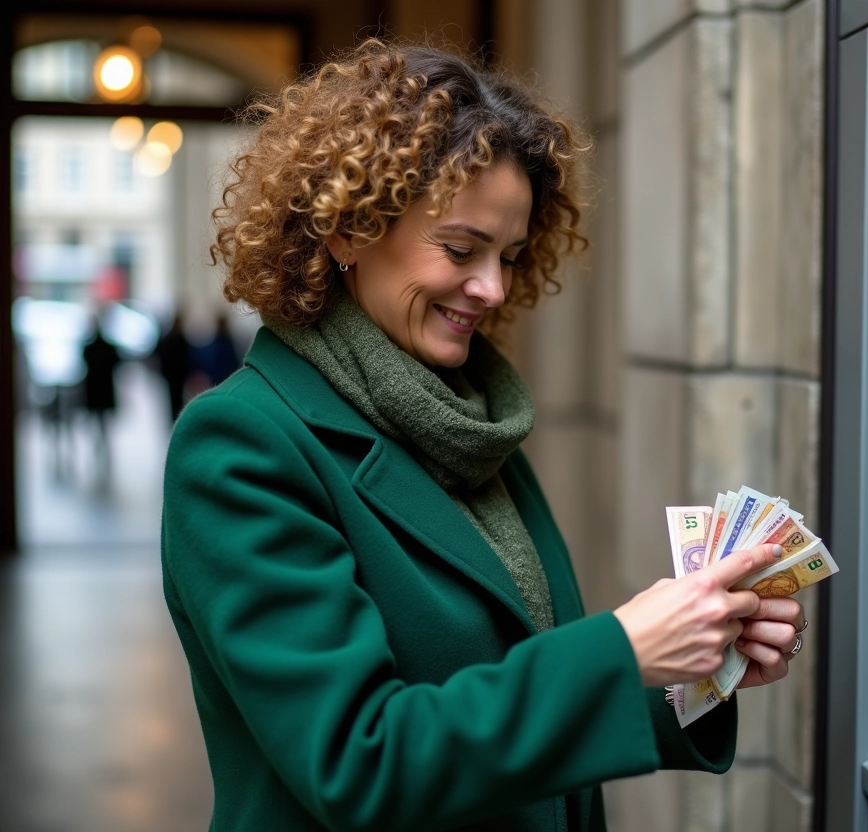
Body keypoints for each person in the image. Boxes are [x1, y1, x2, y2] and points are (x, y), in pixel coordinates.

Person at [161, 41, 806, 832]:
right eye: (462, 249)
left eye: (510, 254)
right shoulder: (241, 443)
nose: (493, 289)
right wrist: (620, 650)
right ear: (346, 230)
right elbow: (358, 763)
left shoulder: (466, 417)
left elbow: (509, 691)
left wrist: (697, 671)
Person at [81, 311, 122, 482]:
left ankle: (100, 448)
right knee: (103, 424)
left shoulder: (88, 347)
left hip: (95, 391)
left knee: (99, 423)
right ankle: (103, 449)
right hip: (103, 391)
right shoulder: (107, 346)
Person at [154, 313, 190, 422]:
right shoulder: (179, 339)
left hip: (171, 375)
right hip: (178, 374)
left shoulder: (168, 338)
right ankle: (178, 418)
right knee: (178, 399)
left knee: (173, 399)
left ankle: (174, 419)